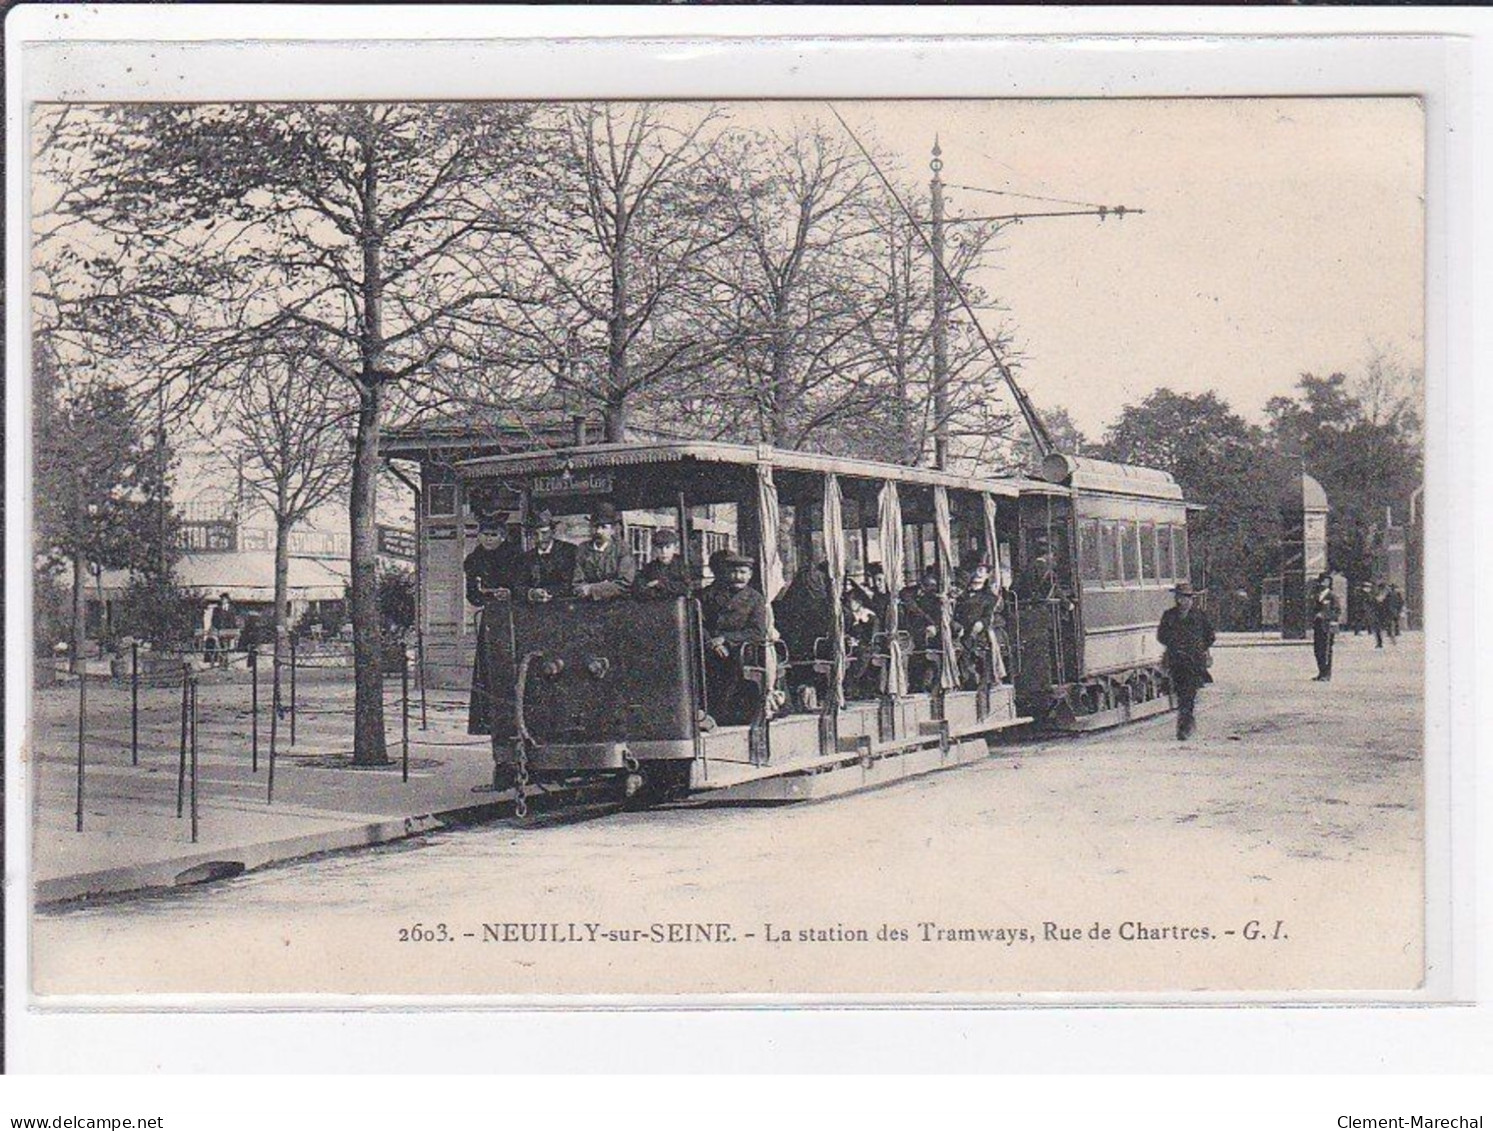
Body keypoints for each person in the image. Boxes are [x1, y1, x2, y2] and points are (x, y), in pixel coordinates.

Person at [464, 516, 524, 737]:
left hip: (516, 616)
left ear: (503, 536)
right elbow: (472, 595)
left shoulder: (516, 556)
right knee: (489, 666)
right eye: (484, 535)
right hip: (491, 618)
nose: (488, 539)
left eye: (493, 535)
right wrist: (483, 596)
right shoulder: (473, 560)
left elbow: (524, 583)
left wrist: (511, 593)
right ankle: (489, 719)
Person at [698, 549, 769, 725]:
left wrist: (726, 640)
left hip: (742, 648)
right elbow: (700, 623)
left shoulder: (755, 599)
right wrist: (712, 643)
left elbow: (757, 631)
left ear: (750, 574)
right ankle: (703, 713)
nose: (738, 576)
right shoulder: (710, 595)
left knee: (731, 666)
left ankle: (725, 715)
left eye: (743, 572)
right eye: (734, 572)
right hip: (710, 646)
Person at [1157, 581, 1215, 741]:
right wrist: (1173, 643)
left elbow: (1210, 636)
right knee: (1181, 693)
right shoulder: (1169, 615)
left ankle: (1184, 725)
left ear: (1191, 599)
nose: (1183, 601)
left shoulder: (1199, 616)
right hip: (1176, 661)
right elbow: (1161, 635)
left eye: (1186, 598)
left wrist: (1198, 647)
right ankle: (1186, 721)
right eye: (1180, 597)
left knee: (1189, 694)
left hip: (1194, 662)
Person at [772, 560, 835, 710]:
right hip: (812, 649)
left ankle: (803, 693)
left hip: (790, 649)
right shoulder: (823, 603)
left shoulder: (785, 602)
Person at [955, 559, 1007, 688]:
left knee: (975, 646)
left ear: (987, 575)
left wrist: (981, 624)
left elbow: (988, 616)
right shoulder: (960, 597)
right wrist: (957, 626)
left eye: (981, 572)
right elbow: (954, 614)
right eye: (975, 571)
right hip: (961, 630)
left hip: (979, 632)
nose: (977, 575)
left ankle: (976, 678)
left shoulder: (990, 597)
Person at [571, 501, 636, 600]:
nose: (598, 531)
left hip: (617, 604)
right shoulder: (583, 549)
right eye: (595, 527)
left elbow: (625, 583)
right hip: (588, 604)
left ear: (612, 530)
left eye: (604, 527)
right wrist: (582, 589)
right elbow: (577, 582)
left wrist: (592, 588)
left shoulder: (623, 549)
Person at [900, 565, 948, 693]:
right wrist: (929, 621)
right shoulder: (908, 593)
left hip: (927, 632)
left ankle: (930, 683)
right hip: (911, 629)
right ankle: (917, 683)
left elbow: (938, 616)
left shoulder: (935, 600)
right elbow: (912, 607)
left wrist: (933, 625)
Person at [519, 508, 577, 603]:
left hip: (563, 604)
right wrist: (531, 592)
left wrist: (548, 592)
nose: (540, 538)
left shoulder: (569, 551)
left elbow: (571, 582)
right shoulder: (526, 557)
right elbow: (519, 585)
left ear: (552, 532)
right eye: (535, 534)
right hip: (535, 608)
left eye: (544, 533)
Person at [842, 587, 883, 700]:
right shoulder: (850, 616)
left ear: (859, 602)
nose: (849, 604)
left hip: (869, 645)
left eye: (851, 601)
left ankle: (855, 687)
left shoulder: (869, 616)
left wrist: (858, 641)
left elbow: (873, 636)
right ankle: (849, 689)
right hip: (854, 645)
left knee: (863, 655)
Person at [636, 528, 692, 599]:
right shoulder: (650, 568)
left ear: (675, 547)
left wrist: (660, 584)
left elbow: (686, 588)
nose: (664, 552)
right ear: (655, 549)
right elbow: (639, 587)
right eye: (660, 548)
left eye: (668, 547)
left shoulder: (682, 567)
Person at [1311, 571, 1340, 681]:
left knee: (1326, 650)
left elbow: (1337, 611)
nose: (1322, 584)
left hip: (1327, 626)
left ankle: (1326, 674)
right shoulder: (1317, 595)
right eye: (1321, 582)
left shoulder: (1332, 596)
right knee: (1318, 649)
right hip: (1318, 625)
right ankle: (1321, 671)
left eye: (1325, 582)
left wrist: (1323, 615)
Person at [1370, 581, 1389, 648]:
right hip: (1379, 613)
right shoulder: (1377, 595)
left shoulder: (1385, 595)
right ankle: (1379, 642)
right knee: (1378, 628)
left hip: (1380, 613)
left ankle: (1380, 642)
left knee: (1378, 628)